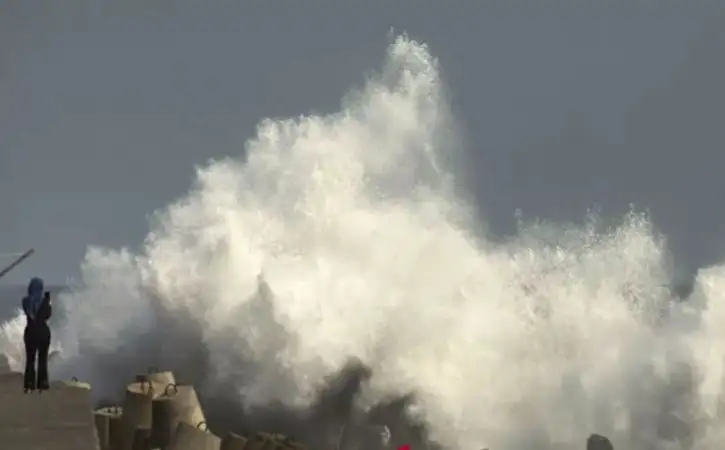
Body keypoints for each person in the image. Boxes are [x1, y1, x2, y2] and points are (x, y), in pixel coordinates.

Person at [21, 277, 52, 393]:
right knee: (40, 359)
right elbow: (47, 315)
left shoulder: (26, 301)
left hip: (31, 333)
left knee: (32, 359)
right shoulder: (42, 301)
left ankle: (30, 384)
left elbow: (30, 312)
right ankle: (41, 384)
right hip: (42, 333)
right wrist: (47, 301)